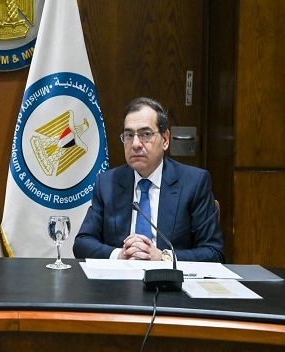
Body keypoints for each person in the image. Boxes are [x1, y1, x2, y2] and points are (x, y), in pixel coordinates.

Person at [73, 97, 224, 262]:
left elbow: (213, 252)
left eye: (145, 134)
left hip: (168, 277)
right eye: (129, 135)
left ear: (165, 140)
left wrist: (163, 257)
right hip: (120, 276)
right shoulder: (107, 183)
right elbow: (82, 243)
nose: (135, 144)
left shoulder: (194, 182)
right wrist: (120, 255)